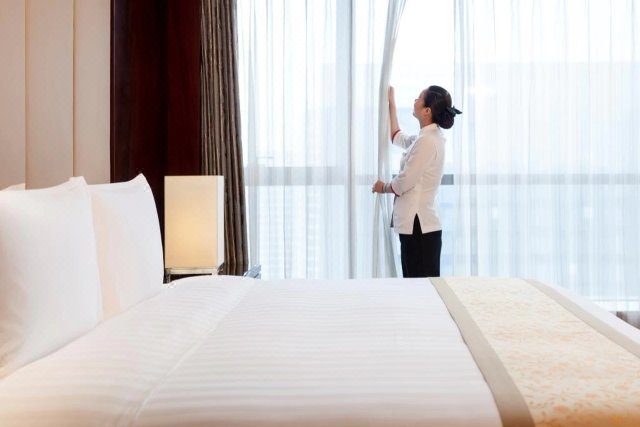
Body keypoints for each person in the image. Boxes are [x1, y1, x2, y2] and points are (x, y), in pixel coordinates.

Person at [372, 86, 461, 278]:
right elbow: (398, 137)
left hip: (419, 226)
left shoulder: (427, 141)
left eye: (419, 97)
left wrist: (383, 187)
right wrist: (391, 103)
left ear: (427, 111)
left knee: (417, 285)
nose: (415, 100)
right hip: (419, 225)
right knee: (416, 283)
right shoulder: (426, 137)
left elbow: (405, 181)